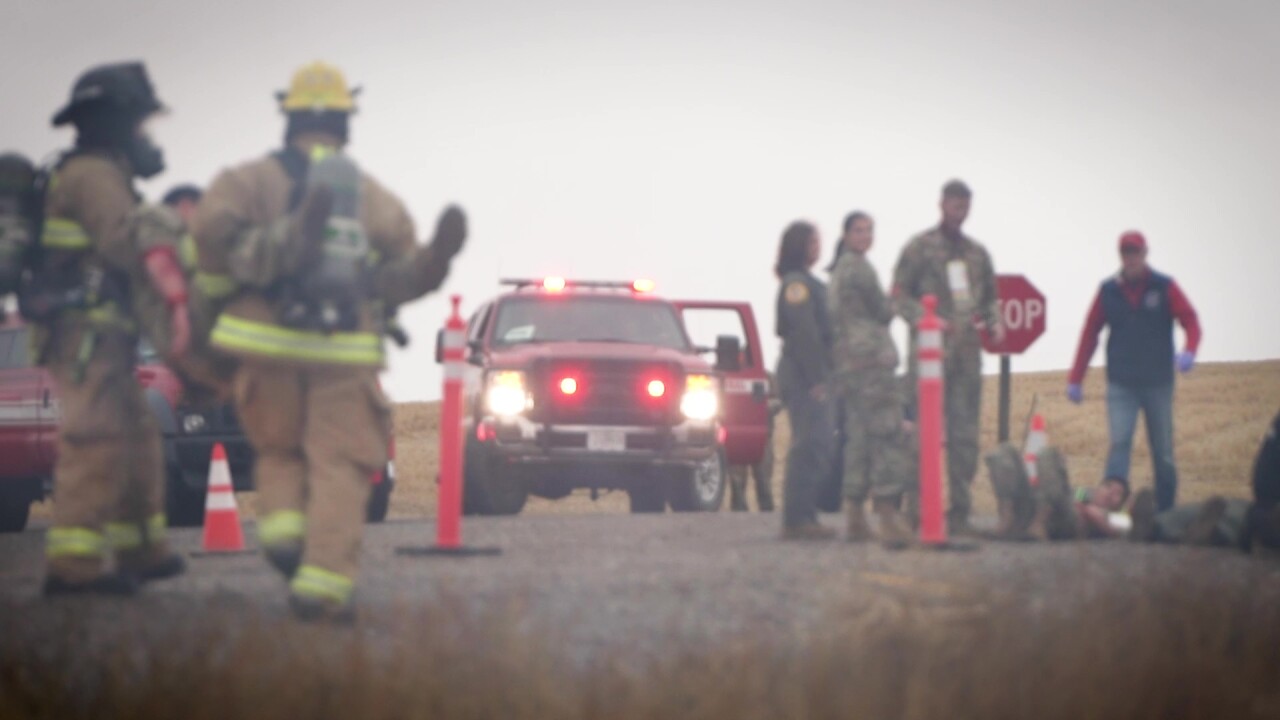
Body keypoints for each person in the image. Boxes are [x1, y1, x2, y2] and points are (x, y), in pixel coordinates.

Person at [194, 61, 467, 622]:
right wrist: (436, 262)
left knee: (280, 451)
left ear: (288, 118)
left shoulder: (246, 183)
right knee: (340, 463)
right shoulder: (370, 196)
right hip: (344, 351)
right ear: (347, 122)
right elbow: (399, 277)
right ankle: (322, 584)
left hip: (266, 346)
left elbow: (209, 245)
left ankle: (285, 538)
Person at [35, 62, 190, 595]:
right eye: (138, 123)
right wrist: (175, 233)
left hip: (107, 335)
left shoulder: (104, 172)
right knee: (94, 440)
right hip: (84, 336)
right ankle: (71, 571)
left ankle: (140, 552)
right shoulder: (93, 177)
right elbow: (126, 244)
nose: (145, 135)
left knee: (137, 437)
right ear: (113, 120)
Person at [891, 180, 1004, 534]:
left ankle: (959, 513)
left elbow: (990, 298)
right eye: (956, 204)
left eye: (966, 206)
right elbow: (898, 295)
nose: (961, 211)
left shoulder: (977, 254)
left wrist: (995, 323)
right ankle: (917, 510)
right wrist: (926, 321)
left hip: (966, 359)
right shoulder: (919, 248)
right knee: (922, 435)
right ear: (942, 204)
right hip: (929, 359)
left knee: (965, 437)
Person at [1066, 230, 1201, 511]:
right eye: (1126, 253)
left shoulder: (1164, 287)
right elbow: (1090, 334)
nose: (1131, 258)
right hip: (1121, 385)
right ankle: (1107, 508)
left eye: (1135, 252)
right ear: (1121, 256)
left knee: (1162, 451)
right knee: (1120, 443)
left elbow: (1190, 320)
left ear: (1144, 254)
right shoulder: (1108, 291)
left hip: (1158, 383)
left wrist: (1190, 350)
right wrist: (1075, 378)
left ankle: (1166, 511)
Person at [827, 211, 912, 545]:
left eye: (869, 230)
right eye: (859, 230)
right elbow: (881, 311)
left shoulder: (838, 270)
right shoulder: (859, 268)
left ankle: (854, 514)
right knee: (888, 433)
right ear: (846, 234)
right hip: (871, 363)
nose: (865, 236)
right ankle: (888, 516)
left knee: (858, 437)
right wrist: (895, 297)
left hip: (848, 363)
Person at [774, 220, 836, 540]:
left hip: (816, 370)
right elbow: (804, 333)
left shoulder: (811, 282)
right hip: (803, 373)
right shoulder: (797, 285)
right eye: (812, 243)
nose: (817, 248)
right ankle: (797, 518)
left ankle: (806, 514)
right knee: (809, 442)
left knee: (819, 441)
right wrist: (816, 378)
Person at [727, 370, 777, 512]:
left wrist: (764, 407)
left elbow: (780, 399)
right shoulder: (729, 375)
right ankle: (739, 517)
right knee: (737, 484)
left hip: (763, 436)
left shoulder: (766, 377)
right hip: (736, 436)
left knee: (764, 481)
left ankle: (767, 514)